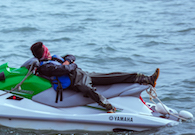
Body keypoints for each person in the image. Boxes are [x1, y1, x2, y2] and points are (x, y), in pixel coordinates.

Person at [30, 41, 160, 113]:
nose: (49, 50)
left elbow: (71, 56)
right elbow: (66, 69)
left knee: (113, 76)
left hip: (83, 74)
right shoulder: (45, 67)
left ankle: (146, 79)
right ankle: (108, 106)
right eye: (46, 49)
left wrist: (69, 61)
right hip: (76, 82)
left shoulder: (53, 59)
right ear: (43, 52)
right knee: (87, 89)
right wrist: (71, 65)